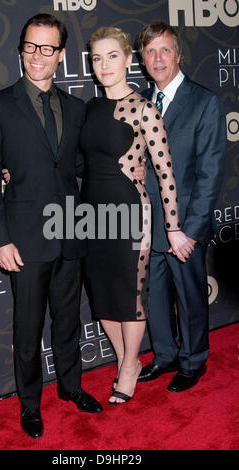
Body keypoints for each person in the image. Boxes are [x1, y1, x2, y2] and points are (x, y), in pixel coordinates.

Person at [0, 13, 103, 440]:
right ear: (21, 49)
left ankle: (71, 387)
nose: (37, 57)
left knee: (68, 321)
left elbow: (78, 165)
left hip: (70, 231)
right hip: (24, 239)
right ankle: (31, 404)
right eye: (31, 47)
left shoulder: (77, 108)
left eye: (47, 48)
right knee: (27, 329)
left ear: (61, 55)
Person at [79, 27, 193, 405]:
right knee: (103, 294)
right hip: (93, 215)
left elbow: (166, 173)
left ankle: (128, 366)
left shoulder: (144, 108)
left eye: (113, 56)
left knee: (132, 296)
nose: (104, 64)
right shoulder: (90, 108)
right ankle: (126, 355)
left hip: (130, 212)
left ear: (129, 60)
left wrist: (173, 226)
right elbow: (80, 161)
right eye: (97, 58)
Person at [137, 21, 226, 392]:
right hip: (147, 224)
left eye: (165, 50)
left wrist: (189, 231)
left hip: (184, 228)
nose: (158, 58)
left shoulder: (204, 102)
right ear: (142, 59)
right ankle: (165, 355)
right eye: (150, 51)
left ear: (178, 55)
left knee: (190, 297)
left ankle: (192, 361)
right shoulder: (139, 103)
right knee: (154, 297)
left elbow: (210, 173)